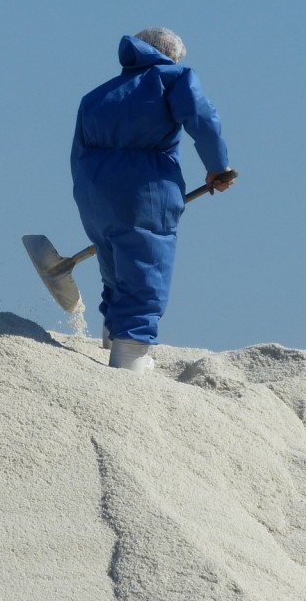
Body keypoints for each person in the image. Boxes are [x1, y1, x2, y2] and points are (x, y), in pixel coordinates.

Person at [71, 27, 234, 374]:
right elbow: (203, 119)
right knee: (146, 262)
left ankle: (112, 333)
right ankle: (130, 354)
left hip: (93, 195)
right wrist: (218, 167)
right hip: (144, 189)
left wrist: (87, 197)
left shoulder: (96, 96)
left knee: (114, 263)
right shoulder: (172, 79)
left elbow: (77, 153)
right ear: (169, 56)